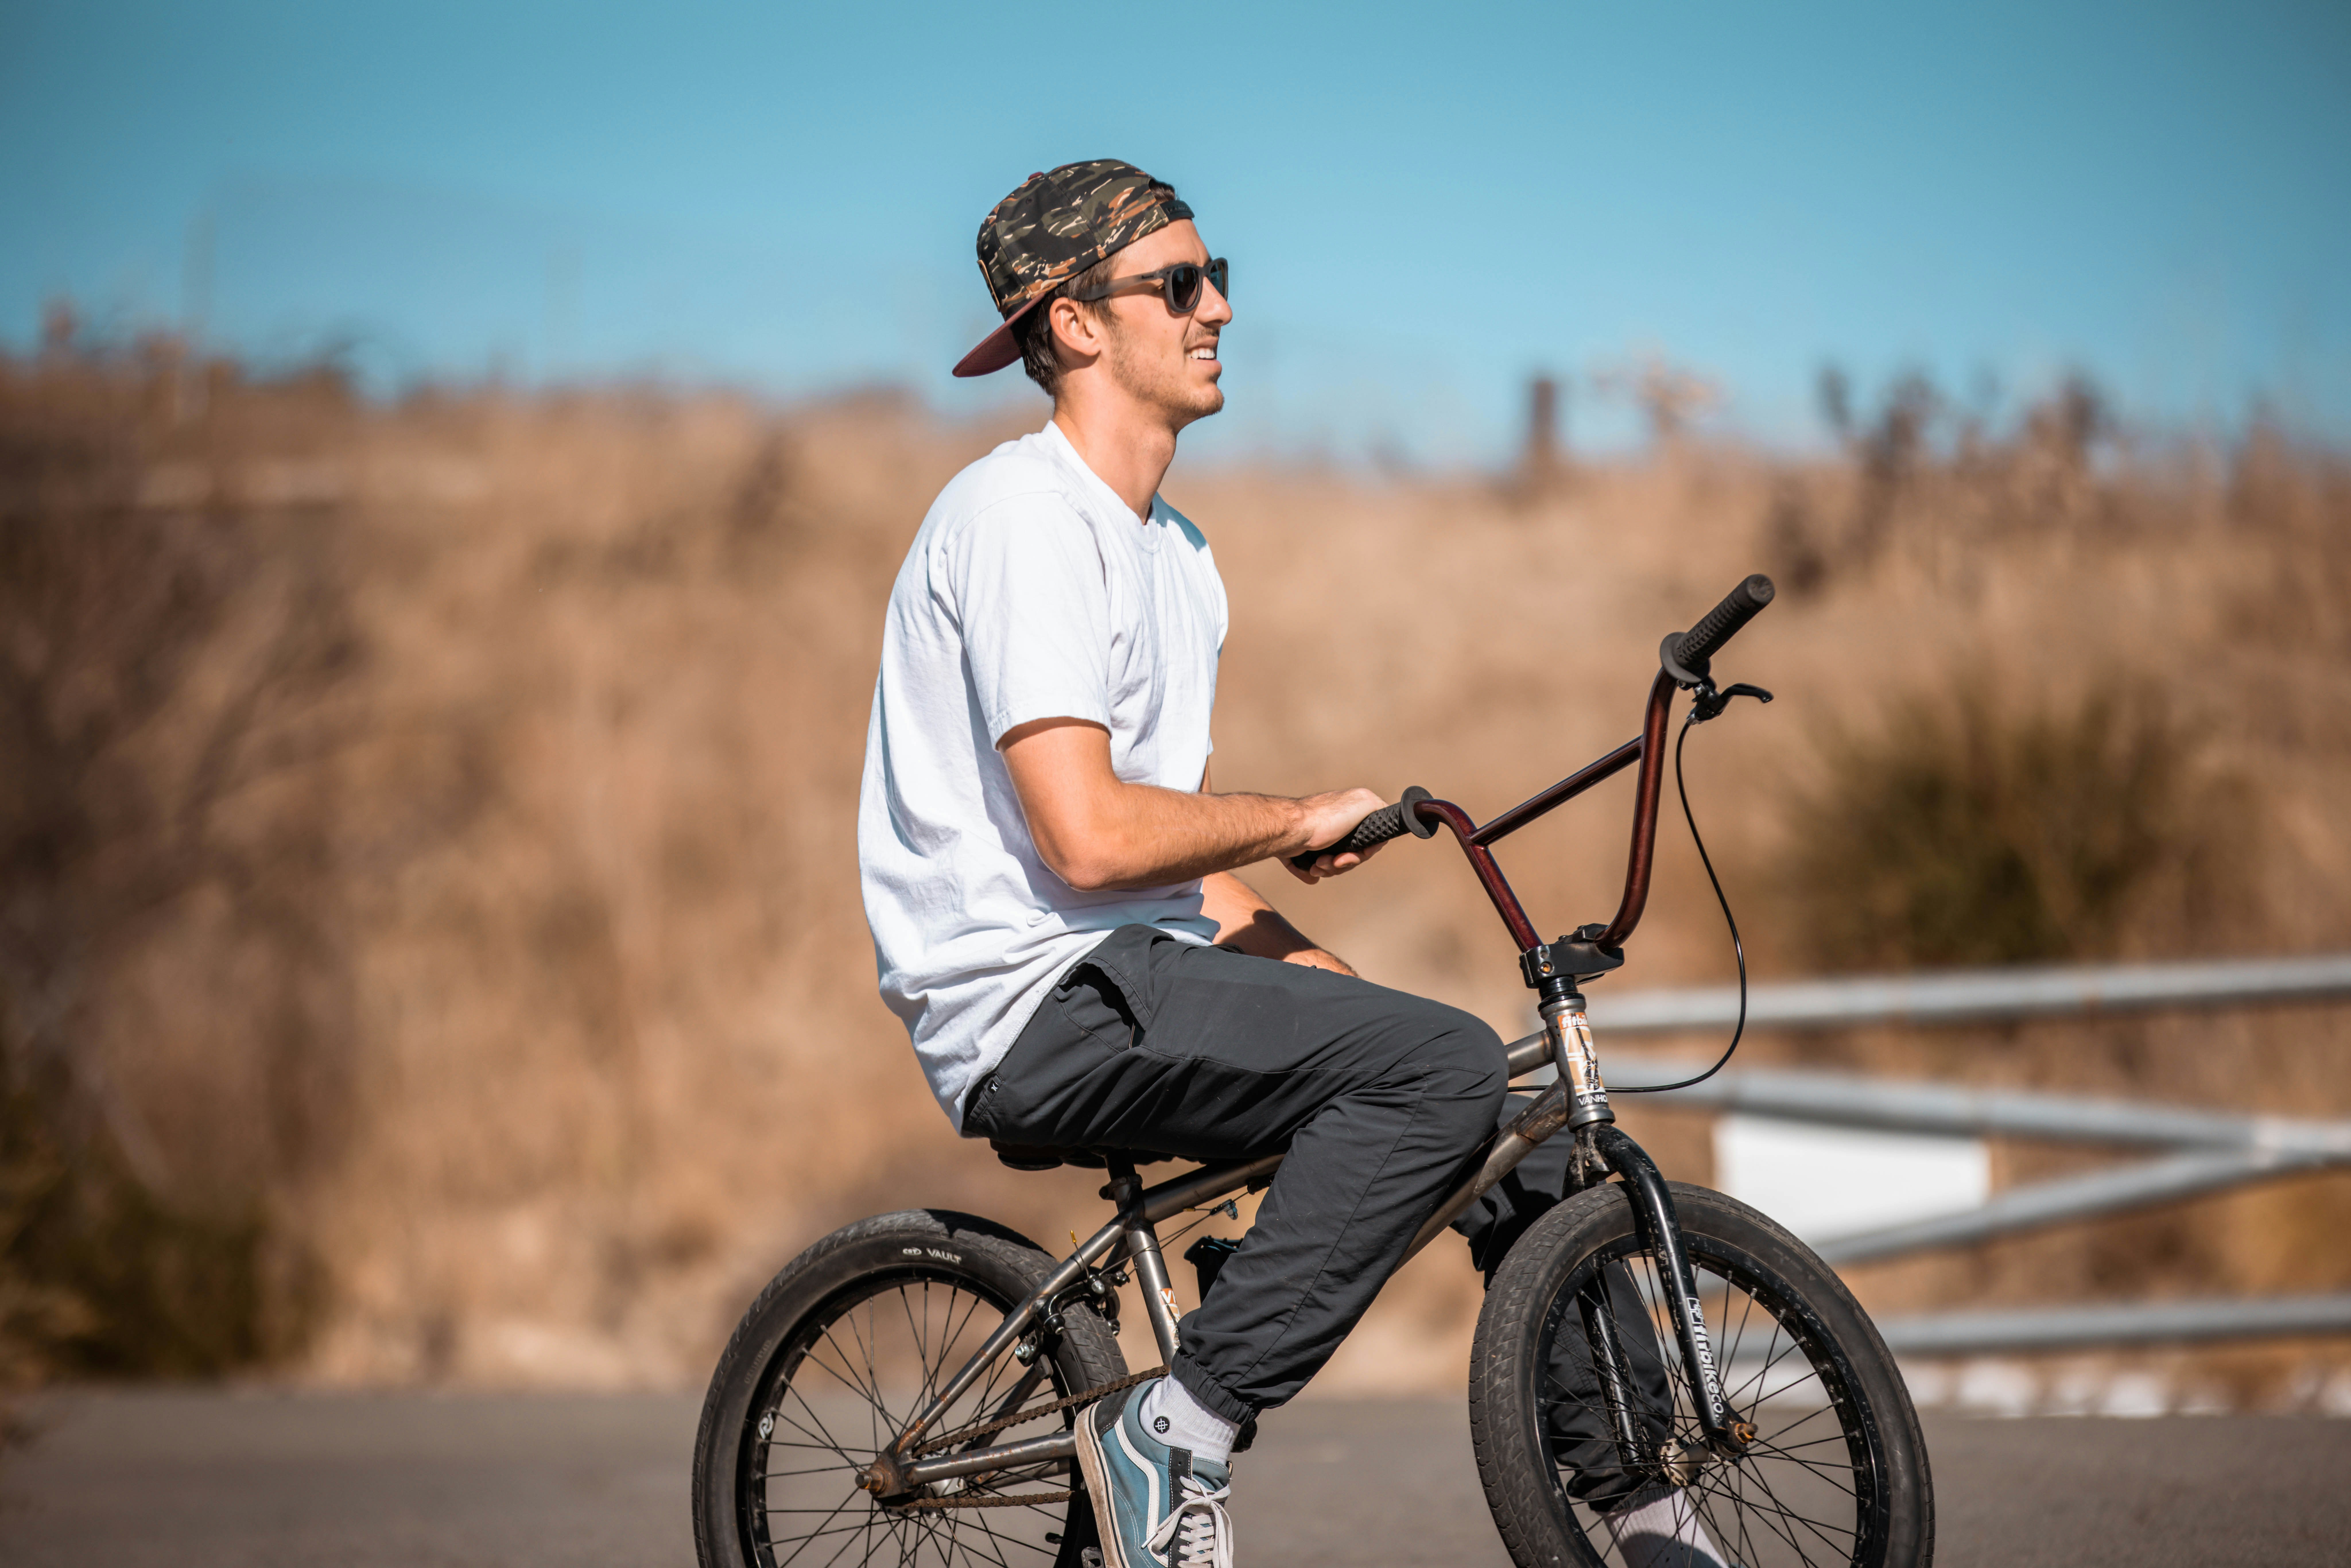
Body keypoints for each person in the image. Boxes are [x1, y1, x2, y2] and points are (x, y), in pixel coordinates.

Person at [857, 160, 1724, 1568]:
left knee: (1490, 1113)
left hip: (1135, 966)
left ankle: (1647, 1520)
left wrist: (1317, 973)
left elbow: (1174, 867)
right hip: (1029, 999)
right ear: (1074, 323)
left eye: (1218, 278)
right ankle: (1173, 1431)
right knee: (1436, 1066)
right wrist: (1295, 814)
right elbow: (1088, 836)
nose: (1219, 309)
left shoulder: (1178, 558)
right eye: (1179, 284)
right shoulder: (1019, 520)